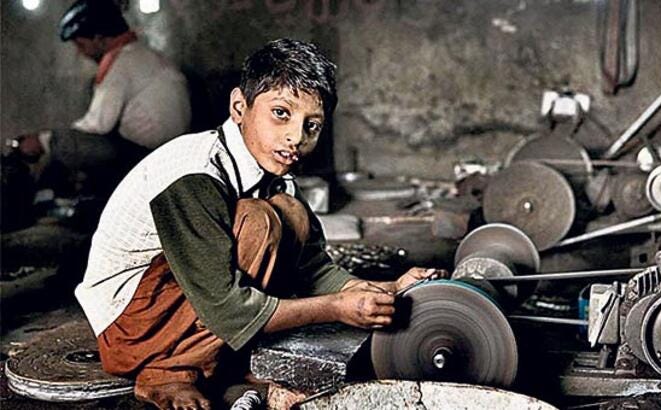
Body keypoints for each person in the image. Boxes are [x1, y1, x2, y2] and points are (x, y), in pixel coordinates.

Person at [75, 38, 448, 410]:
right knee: (258, 220)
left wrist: (388, 289)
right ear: (240, 107)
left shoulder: (277, 176)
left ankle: (224, 357)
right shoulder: (193, 174)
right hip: (131, 330)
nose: (296, 138)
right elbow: (227, 308)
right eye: (281, 113)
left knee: (289, 211)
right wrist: (337, 307)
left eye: (312, 125)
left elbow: (313, 270)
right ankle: (167, 372)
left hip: (189, 309)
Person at [11, 0, 191, 199]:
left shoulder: (121, 63)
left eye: (81, 45)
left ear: (98, 39)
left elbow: (97, 125)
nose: (80, 52)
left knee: (65, 143)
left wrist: (42, 140)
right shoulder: (144, 54)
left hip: (144, 156)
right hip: (172, 152)